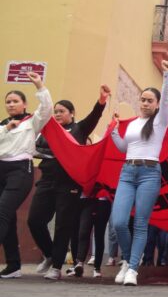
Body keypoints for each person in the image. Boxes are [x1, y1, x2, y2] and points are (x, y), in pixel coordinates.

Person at [29, 84, 110, 280]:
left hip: (69, 184)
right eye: (55, 111)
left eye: (61, 111)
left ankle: (56, 267)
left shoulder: (79, 129)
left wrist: (101, 101)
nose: (57, 114)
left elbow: (94, 117)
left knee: (63, 226)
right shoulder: (47, 130)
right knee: (34, 220)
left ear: (72, 114)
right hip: (46, 180)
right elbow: (35, 149)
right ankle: (49, 254)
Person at [110, 59, 168, 286]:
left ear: (156, 105)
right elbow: (125, 149)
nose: (145, 103)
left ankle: (132, 269)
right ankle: (128, 260)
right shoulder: (134, 124)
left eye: (149, 100)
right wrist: (115, 132)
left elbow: (166, 99)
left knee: (140, 224)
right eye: (143, 99)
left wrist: (167, 75)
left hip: (149, 173)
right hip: (127, 172)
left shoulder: (160, 122)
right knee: (118, 222)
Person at [0, 72, 52, 279]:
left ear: (24, 104)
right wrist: (6, 128)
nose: (11, 105)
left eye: (15, 101)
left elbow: (47, 109)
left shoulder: (31, 122)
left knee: (2, 212)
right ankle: (13, 265)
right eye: (8, 102)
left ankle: (13, 264)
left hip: (20, 170)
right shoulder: (3, 125)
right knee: (8, 217)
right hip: (0, 170)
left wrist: (40, 86)